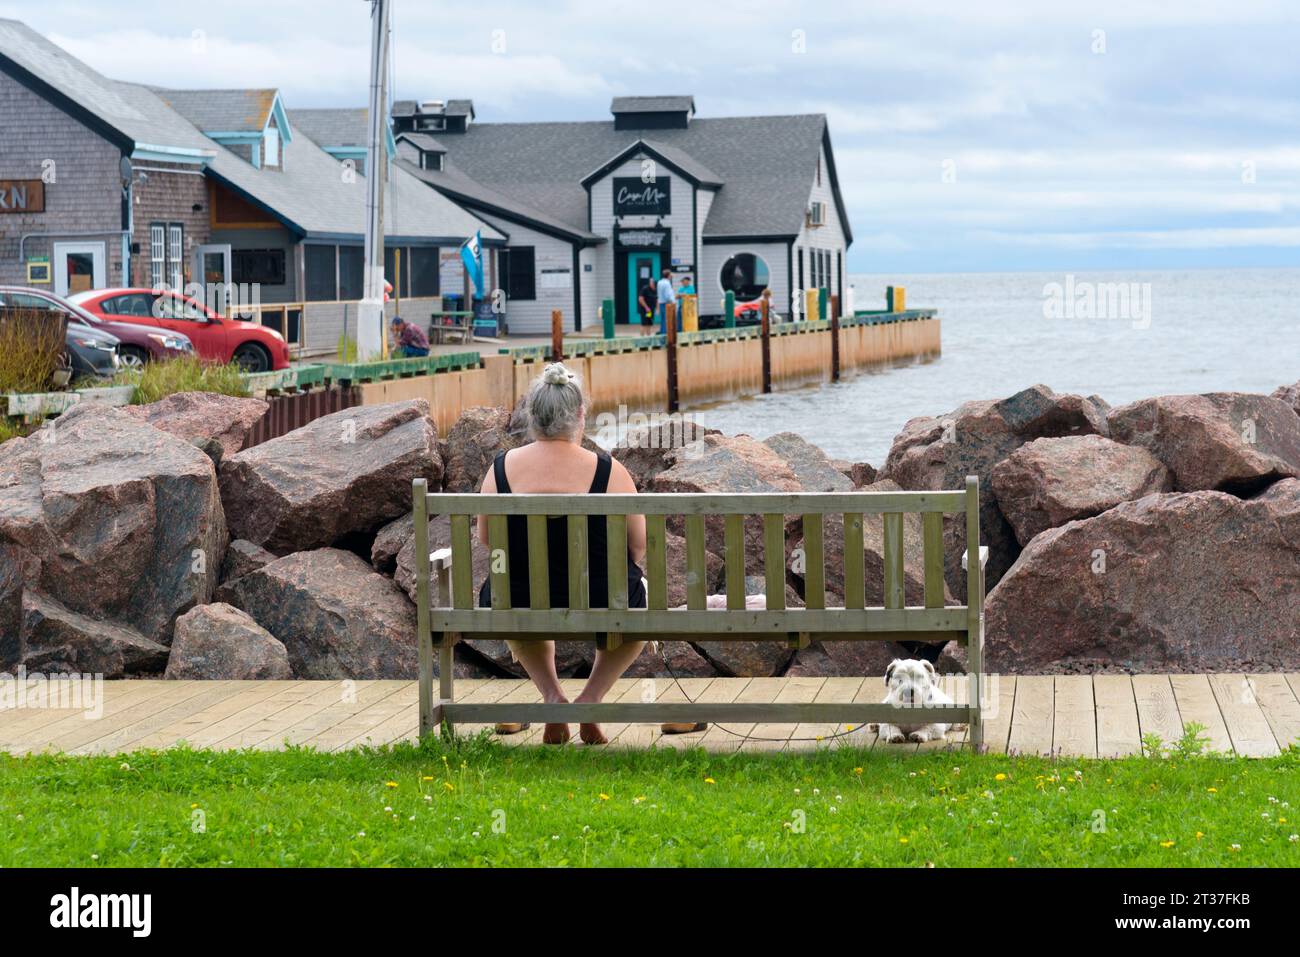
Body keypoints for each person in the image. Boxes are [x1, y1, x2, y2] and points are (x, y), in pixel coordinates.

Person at [476, 363, 703, 743]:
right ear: (580, 415)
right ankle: (590, 698)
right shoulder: (609, 471)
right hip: (603, 598)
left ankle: (552, 697)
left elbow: (487, 540)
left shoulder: (500, 470)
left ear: (532, 416)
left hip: (516, 599)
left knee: (512, 596)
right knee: (636, 603)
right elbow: (637, 546)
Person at [655, 268, 677, 333]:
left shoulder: (659, 282)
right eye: (670, 275)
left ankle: (662, 333)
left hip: (661, 303)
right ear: (669, 275)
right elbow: (668, 295)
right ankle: (665, 336)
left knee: (662, 320)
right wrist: (673, 302)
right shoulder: (667, 283)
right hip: (667, 303)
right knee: (667, 320)